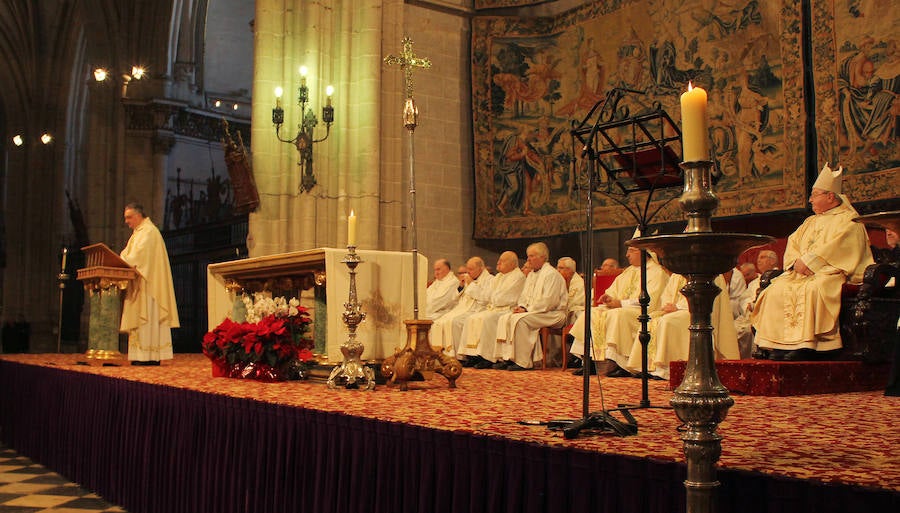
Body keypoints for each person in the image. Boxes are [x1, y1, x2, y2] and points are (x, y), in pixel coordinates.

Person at [752, 164, 874, 360]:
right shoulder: (811, 221)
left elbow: (841, 246)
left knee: (814, 288)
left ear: (830, 196)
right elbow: (793, 242)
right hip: (801, 271)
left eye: (814, 195)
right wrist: (796, 263)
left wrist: (810, 262)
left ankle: (807, 345)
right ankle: (776, 345)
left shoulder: (849, 220)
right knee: (775, 289)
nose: (810, 200)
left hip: (831, 272)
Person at [569, 235, 669, 376]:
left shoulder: (657, 273)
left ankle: (618, 363)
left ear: (643, 252)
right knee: (591, 313)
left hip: (641, 312)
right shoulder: (628, 272)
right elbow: (613, 292)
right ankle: (590, 361)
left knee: (617, 315)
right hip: (621, 308)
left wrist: (621, 303)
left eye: (631, 251)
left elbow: (649, 301)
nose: (627, 255)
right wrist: (608, 298)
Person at [624, 273, 739, 380]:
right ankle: (648, 367)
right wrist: (669, 306)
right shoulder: (677, 273)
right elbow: (666, 295)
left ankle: (665, 369)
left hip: (696, 311)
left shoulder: (710, 272)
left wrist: (677, 307)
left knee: (667, 321)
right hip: (675, 311)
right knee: (649, 320)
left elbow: (705, 298)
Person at [119, 203, 179, 365]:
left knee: (148, 320)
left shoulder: (149, 232)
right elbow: (126, 254)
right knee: (141, 322)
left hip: (150, 287)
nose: (127, 222)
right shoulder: (138, 233)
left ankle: (148, 356)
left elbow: (135, 257)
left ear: (138, 216)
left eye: (129, 217)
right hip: (141, 284)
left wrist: (122, 260)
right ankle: (141, 355)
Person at [493, 242, 568, 371]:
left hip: (554, 314)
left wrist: (526, 310)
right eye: (528, 256)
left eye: (532, 256)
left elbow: (550, 301)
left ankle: (523, 362)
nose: (528, 259)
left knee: (521, 321)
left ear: (543, 257)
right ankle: (507, 358)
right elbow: (523, 296)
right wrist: (521, 306)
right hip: (538, 312)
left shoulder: (551, 274)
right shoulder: (532, 274)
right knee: (506, 318)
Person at [458, 251, 526, 369]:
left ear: (512, 264)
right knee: (471, 318)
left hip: (507, 309)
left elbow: (503, 298)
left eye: (502, 261)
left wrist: (493, 298)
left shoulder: (518, 277)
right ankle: (472, 355)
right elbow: (488, 295)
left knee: (487, 319)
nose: (498, 262)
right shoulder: (499, 276)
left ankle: (487, 357)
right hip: (495, 308)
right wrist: (493, 298)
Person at [432, 257, 493, 356]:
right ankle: (441, 354)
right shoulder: (470, 279)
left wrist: (471, 284)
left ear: (481, 268)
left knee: (454, 322)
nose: (468, 272)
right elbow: (456, 299)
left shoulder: (489, 280)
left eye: (471, 269)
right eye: (467, 269)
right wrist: (461, 286)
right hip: (463, 309)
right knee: (439, 322)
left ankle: (458, 355)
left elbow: (485, 299)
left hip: (477, 309)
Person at [735, 250, 780, 358]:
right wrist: (748, 305)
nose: (758, 261)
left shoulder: (780, 277)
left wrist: (757, 305)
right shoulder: (754, 282)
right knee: (732, 329)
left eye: (763, 257)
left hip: (768, 316)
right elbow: (743, 298)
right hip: (750, 315)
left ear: (773, 261)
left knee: (748, 331)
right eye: (759, 257)